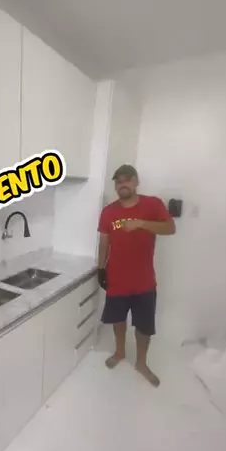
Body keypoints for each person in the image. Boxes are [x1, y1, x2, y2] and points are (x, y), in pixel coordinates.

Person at [97, 164, 175, 387]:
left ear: (136, 181)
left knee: (143, 326)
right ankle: (120, 352)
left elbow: (170, 228)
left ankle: (141, 363)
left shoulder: (152, 204)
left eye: (127, 179)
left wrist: (141, 223)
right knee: (118, 320)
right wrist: (101, 269)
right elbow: (104, 242)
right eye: (118, 181)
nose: (123, 184)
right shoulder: (109, 212)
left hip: (144, 282)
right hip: (117, 281)